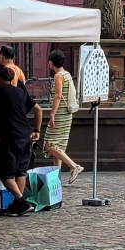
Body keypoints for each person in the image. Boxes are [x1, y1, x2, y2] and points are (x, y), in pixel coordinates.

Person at [0, 66, 44, 215]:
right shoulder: (20, 92)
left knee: (4, 174)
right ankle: (17, 204)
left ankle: (21, 201)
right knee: (20, 172)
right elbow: (38, 109)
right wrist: (37, 130)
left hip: (10, 137)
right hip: (25, 136)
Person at [43, 51, 83, 184]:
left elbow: (58, 96)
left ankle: (73, 166)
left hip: (60, 113)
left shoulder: (58, 76)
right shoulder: (67, 74)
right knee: (58, 146)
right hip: (67, 113)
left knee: (50, 144)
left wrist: (52, 114)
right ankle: (56, 177)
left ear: (51, 62)